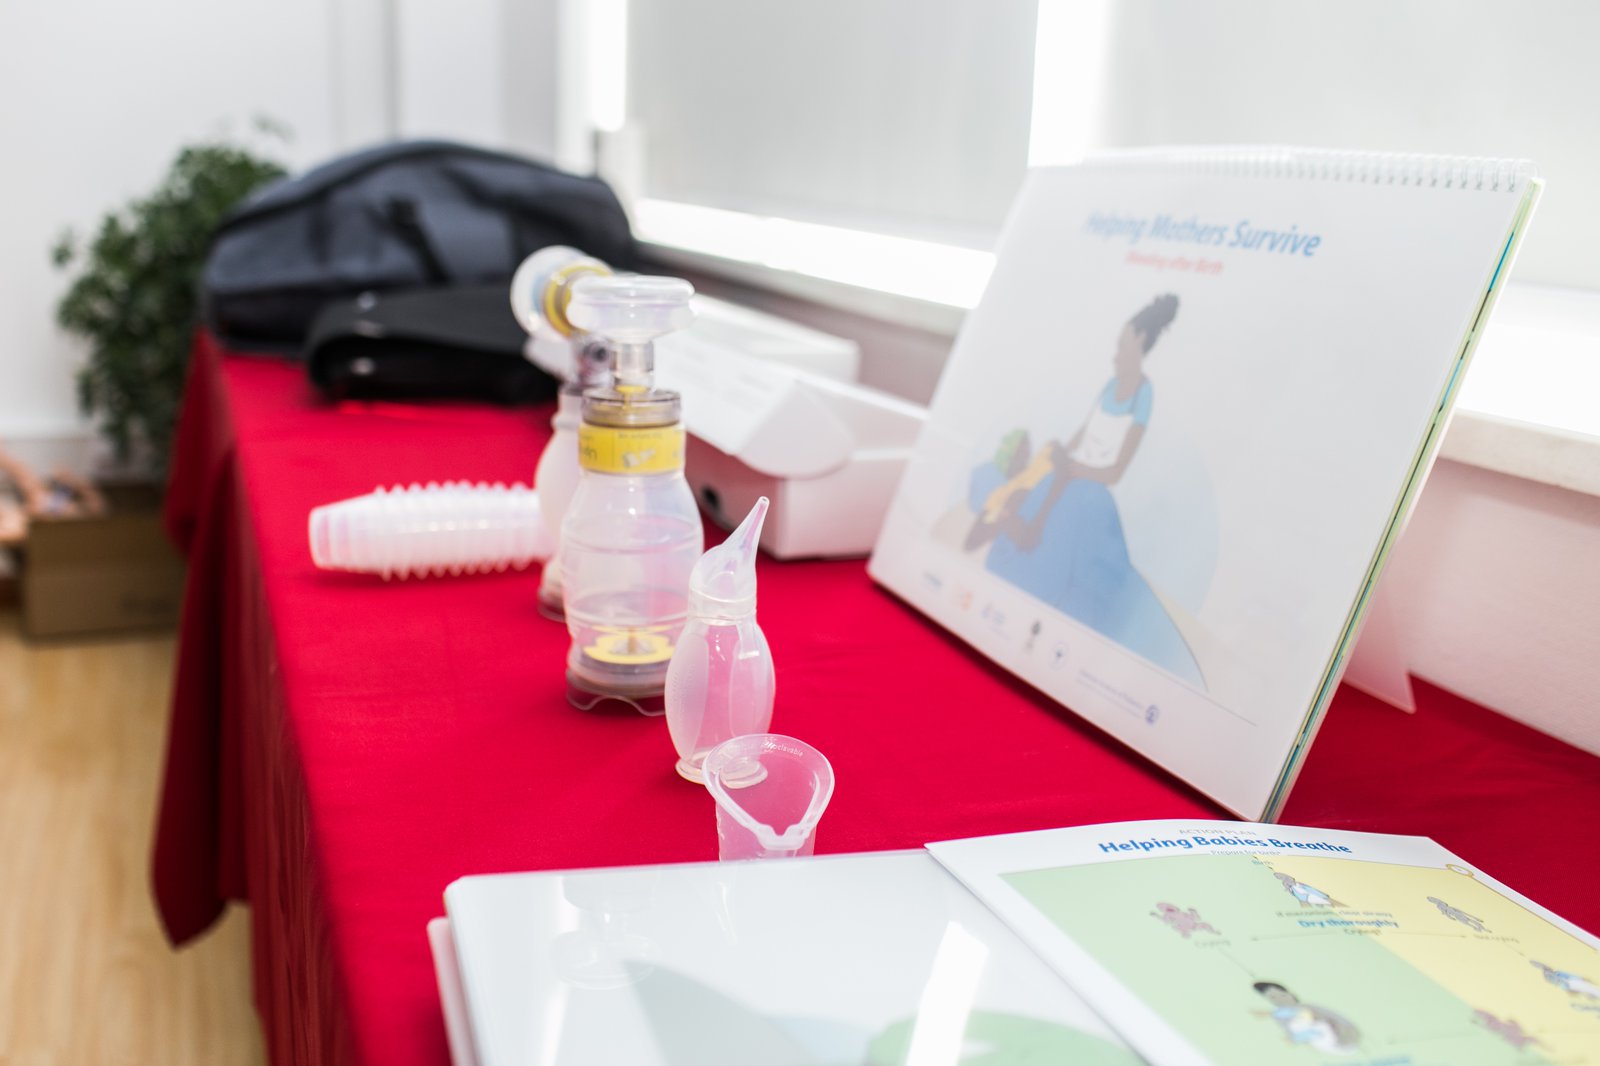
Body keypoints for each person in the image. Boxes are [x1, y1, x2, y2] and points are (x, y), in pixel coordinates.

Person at [962, 296, 1202, 686]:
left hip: (1089, 489)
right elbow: (1081, 434)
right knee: (1020, 518)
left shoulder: (1143, 394)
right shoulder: (1109, 386)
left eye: (1122, 345)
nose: (1116, 354)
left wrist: (1074, 470)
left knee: (1064, 554)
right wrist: (1060, 456)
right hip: (1066, 475)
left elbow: (1115, 471)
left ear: (1140, 342)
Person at [1252, 981, 1361, 1054]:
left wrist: (1271, 1013)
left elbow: (1300, 1015)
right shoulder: (1288, 1022)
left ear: (1290, 994)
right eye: (1273, 998)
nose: (1279, 999)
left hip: (1330, 1031)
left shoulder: (1307, 1010)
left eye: (1282, 995)